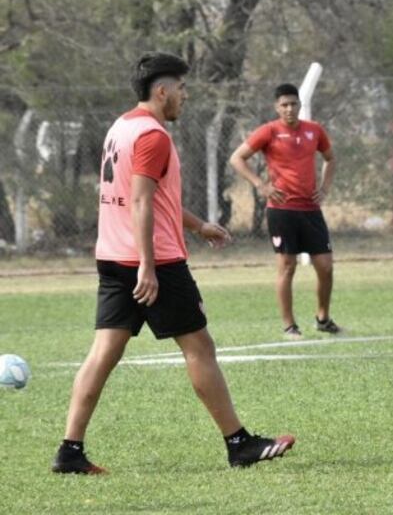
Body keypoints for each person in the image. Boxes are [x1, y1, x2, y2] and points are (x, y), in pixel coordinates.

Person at [52, 53, 295, 474]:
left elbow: (150, 197)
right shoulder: (153, 136)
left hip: (112, 256)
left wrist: (199, 226)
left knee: (103, 353)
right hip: (155, 262)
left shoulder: (121, 127)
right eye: (181, 88)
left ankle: (69, 450)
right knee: (200, 348)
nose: (185, 95)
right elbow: (141, 201)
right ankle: (239, 443)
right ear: (161, 91)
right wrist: (147, 266)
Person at [229, 83, 339, 339]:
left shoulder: (314, 130)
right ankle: (290, 325)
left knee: (325, 266)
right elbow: (237, 158)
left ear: (300, 105)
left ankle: (323, 319)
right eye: (284, 105)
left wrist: (325, 187)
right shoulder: (269, 131)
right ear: (277, 107)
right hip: (282, 210)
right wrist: (260, 185)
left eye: (293, 104)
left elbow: (331, 158)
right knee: (287, 266)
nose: (289, 109)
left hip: (310, 210)